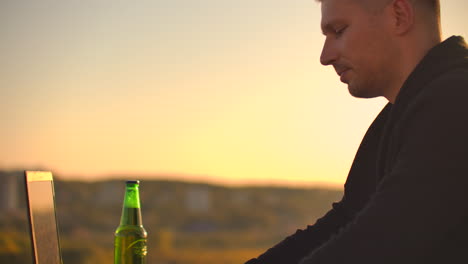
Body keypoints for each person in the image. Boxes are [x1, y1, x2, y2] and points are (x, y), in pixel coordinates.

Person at [245, 0, 468, 263]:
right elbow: (344, 222)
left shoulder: (455, 101)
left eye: (338, 31)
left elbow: (380, 242)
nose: (325, 56)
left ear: (399, 15)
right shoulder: (396, 117)